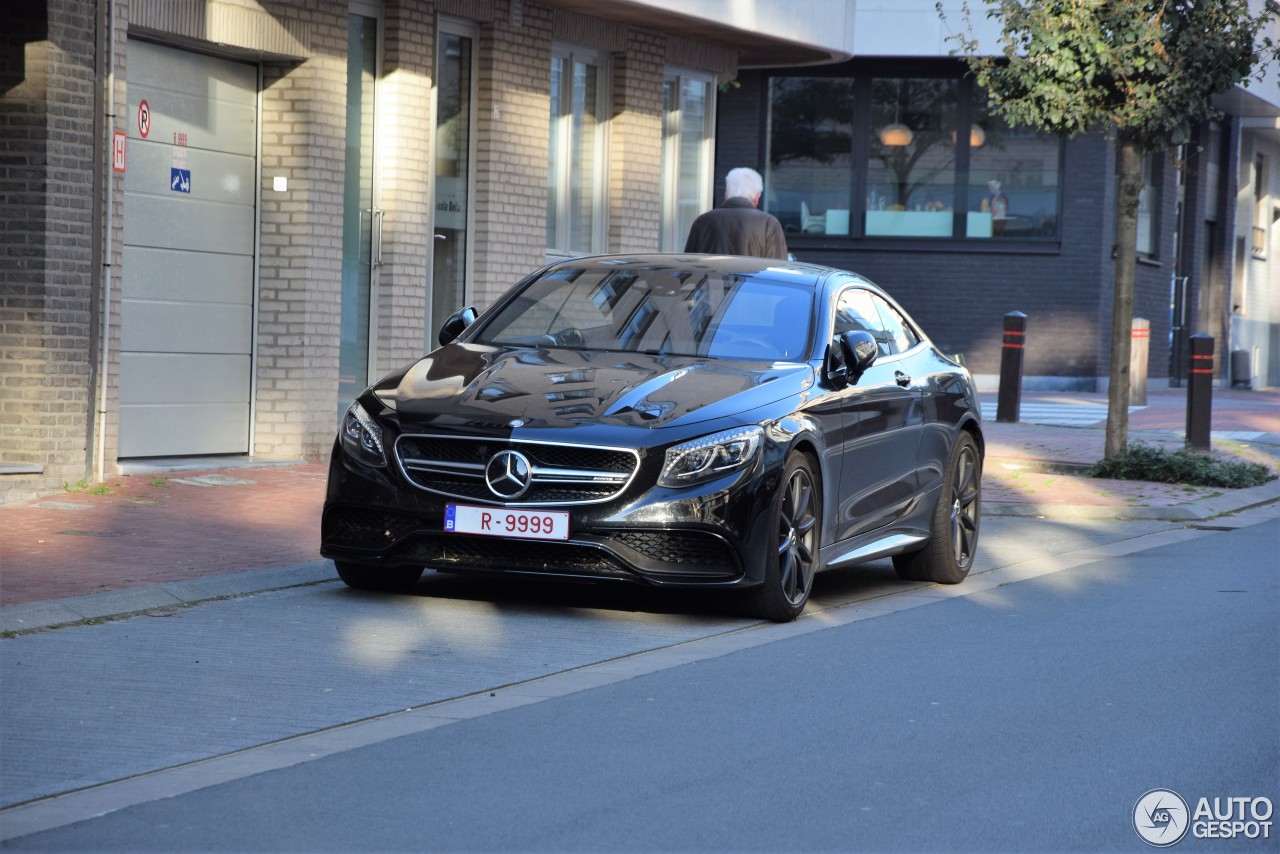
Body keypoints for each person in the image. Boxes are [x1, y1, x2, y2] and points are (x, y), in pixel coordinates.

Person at [684, 167, 788, 259]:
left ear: (726, 194)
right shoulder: (769, 224)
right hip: (751, 282)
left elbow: (688, 268)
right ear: (757, 197)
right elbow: (778, 270)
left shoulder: (702, 222)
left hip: (710, 282)